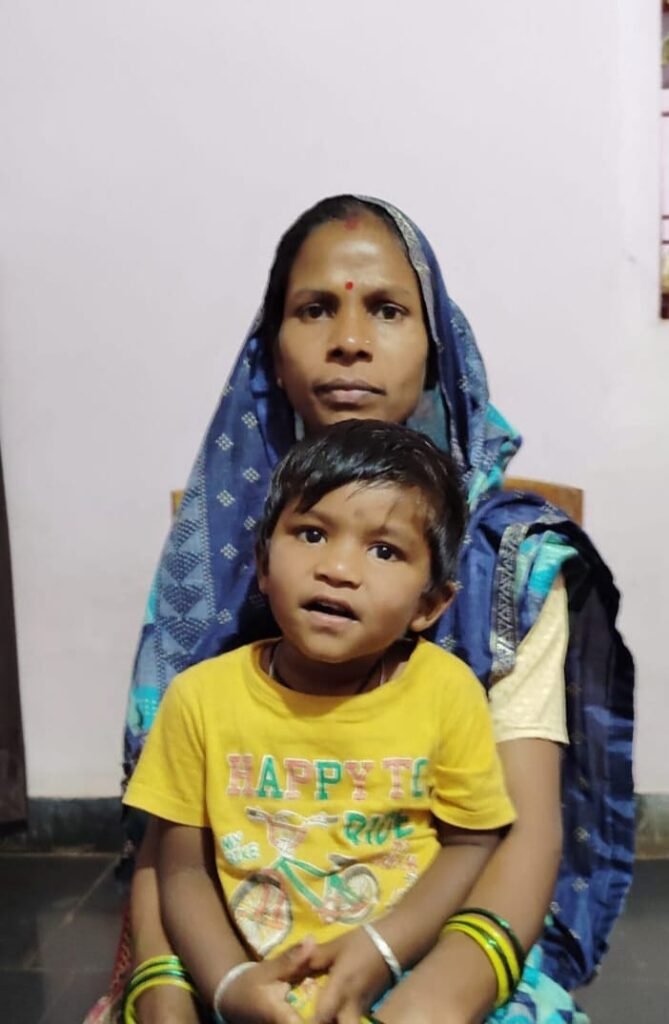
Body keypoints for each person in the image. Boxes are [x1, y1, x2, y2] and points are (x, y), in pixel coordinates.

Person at [85, 195, 634, 1024]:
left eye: (386, 309)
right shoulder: (219, 549)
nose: (348, 339)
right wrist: (172, 989)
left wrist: (427, 1004)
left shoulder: (509, 560)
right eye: (314, 309)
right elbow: (174, 838)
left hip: (440, 946)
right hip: (228, 948)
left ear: (435, 348)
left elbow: (514, 833)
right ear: (272, 352)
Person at [122, 418, 520, 1024]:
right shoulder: (199, 700)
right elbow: (181, 869)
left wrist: (383, 950)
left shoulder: (447, 692)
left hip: (402, 981)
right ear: (262, 565)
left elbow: (471, 842)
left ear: (430, 604)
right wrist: (230, 986)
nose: (337, 568)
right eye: (311, 534)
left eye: (384, 551)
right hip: (246, 983)